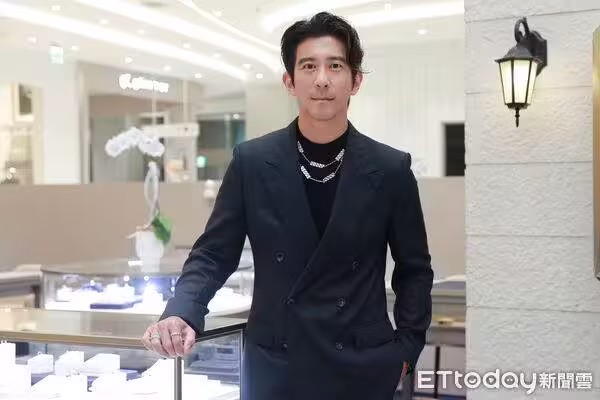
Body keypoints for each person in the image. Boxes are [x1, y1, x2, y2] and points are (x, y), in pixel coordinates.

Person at [142, 11, 433, 400]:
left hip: (362, 366)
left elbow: (414, 270)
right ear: (289, 81)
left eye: (335, 66)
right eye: (308, 66)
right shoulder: (252, 161)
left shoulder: (390, 168)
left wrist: (406, 351)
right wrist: (182, 308)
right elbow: (214, 253)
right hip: (276, 365)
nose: (322, 79)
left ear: (355, 81)